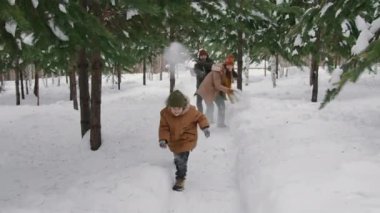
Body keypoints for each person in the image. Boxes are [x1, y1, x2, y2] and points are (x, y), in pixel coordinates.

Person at [158, 90, 210, 191]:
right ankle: (178, 161)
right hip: (174, 139)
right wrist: (163, 139)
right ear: (169, 107)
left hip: (187, 138)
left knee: (182, 159)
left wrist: (205, 127)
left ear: (183, 106)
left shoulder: (191, 111)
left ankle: (180, 179)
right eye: (173, 108)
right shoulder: (165, 114)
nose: (176, 111)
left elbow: (201, 117)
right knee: (177, 154)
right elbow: (163, 127)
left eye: (179, 108)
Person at [196, 54, 236, 127]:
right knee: (211, 106)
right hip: (208, 89)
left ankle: (219, 123)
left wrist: (230, 92)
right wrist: (228, 90)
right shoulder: (218, 70)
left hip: (215, 90)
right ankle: (205, 122)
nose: (230, 67)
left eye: (232, 65)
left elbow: (228, 84)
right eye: (229, 65)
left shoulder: (227, 70)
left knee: (220, 105)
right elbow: (217, 85)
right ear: (225, 64)